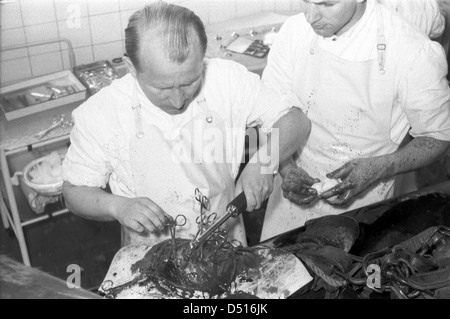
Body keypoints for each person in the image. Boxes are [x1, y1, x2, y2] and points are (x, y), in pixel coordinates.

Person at [61, 2, 310, 247]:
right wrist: (116, 206)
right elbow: (74, 191)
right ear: (131, 67)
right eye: (163, 88)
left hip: (225, 242)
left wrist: (264, 163)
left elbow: (295, 120)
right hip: (148, 254)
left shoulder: (227, 80)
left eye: (191, 81)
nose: (179, 100)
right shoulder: (101, 113)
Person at [260, 0, 450, 241]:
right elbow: (270, 113)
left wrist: (380, 167)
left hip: (364, 210)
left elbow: (438, 136)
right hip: (287, 205)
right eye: (305, 1)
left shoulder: (409, 49)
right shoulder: (293, 32)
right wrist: (286, 169)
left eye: (326, 4)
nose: (310, 16)